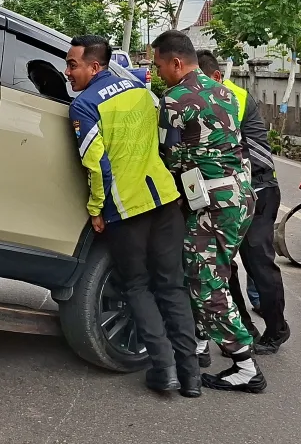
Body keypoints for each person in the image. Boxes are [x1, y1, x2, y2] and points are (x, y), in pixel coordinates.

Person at [64, 35, 201, 397]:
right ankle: (191, 377)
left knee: (138, 286)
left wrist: (96, 209)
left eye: (72, 65)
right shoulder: (141, 90)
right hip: (166, 200)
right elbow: (165, 140)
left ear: (94, 66)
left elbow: (97, 165)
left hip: (128, 210)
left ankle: (164, 370)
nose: (67, 72)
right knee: (172, 286)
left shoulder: (84, 105)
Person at [151, 30, 266, 394]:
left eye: (159, 66)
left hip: (210, 204)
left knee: (205, 281)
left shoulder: (173, 100)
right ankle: (199, 341)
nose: (157, 74)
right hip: (240, 196)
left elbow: (168, 157)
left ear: (176, 63)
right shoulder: (225, 92)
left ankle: (245, 364)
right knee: (216, 270)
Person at [196, 50, 291, 355]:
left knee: (258, 262)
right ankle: (244, 330)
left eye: (199, 80)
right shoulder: (209, 95)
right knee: (223, 263)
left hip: (258, 188)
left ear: (216, 77)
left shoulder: (230, 97)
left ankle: (277, 329)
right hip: (233, 190)